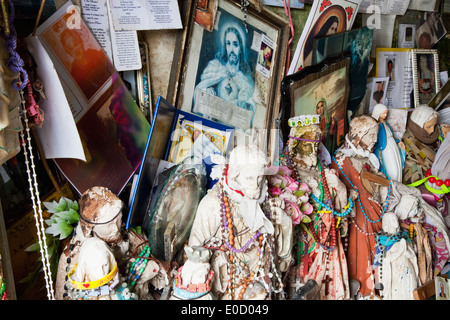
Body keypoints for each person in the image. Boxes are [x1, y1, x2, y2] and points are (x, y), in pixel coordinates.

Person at [188, 144, 291, 299]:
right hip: (227, 286)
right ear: (235, 175)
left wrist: (285, 224)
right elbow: (195, 255)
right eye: (249, 178)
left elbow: (281, 255)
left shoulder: (265, 198)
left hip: (261, 281)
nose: (255, 185)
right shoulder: (213, 204)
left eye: (259, 177)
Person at [281, 117, 350, 300]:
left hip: (326, 243)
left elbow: (341, 212)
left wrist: (340, 189)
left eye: (315, 145)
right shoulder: (285, 173)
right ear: (295, 144)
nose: (312, 151)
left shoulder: (324, 171)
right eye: (307, 145)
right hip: (302, 246)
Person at [195, 26, 255, 112]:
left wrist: (242, 104)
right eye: (228, 44)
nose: (231, 49)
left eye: (235, 44)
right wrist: (208, 92)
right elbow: (198, 92)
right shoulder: (214, 66)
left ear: (240, 49)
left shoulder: (246, 78)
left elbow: (252, 108)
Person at [60, 28, 114, 100]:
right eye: (71, 49)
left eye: (76, 44)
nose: (75, 49)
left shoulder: (93, 53)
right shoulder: (74, 73)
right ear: (69, 53)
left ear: (80, 42)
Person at [371, 104, 405, 182]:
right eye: (383, 113)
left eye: (386, 113)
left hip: (392, 145)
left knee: (397, 165)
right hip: (385, 149)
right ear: (378, 113)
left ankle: (398, 182)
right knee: (391, 168)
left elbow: (391, 134)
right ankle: (392, 184)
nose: (385, 115)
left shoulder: (385, 124)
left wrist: (398, 142)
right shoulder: (376, 125)